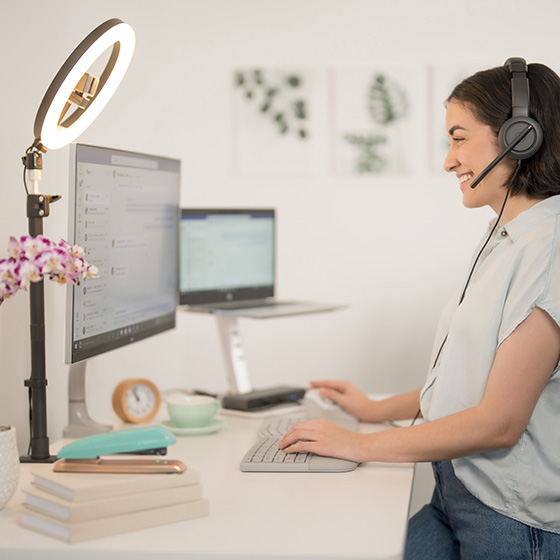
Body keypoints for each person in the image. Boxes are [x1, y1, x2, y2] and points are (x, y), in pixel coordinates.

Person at [279, 59, 560, 559]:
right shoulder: (506, 236)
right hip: (457, 494)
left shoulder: (549, 250)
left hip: (512, 519)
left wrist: (356, 444)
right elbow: (467, 379)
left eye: (458, 137)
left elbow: (499, 421)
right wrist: (372, 409)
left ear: (520, 137)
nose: (448, 161)